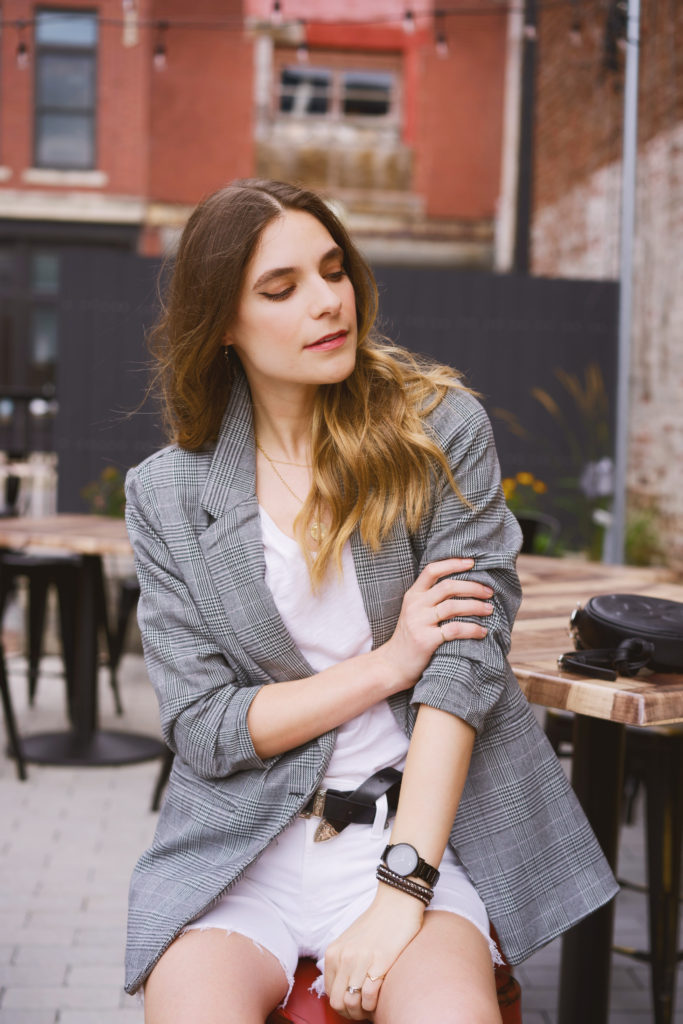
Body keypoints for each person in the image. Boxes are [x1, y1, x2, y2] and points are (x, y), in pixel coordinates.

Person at [124, 179, 617, 1023]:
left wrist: (401, 889)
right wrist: (388, 660)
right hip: (246, 849)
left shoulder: (437, 432)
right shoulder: (166, 492)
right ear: (224, 327)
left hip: (410, 836)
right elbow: (205, 729)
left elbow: (462, 675)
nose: (327, 302)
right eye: (281, 290)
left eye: (332, 270)